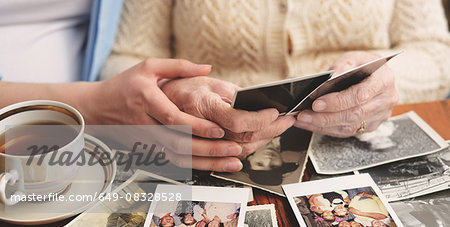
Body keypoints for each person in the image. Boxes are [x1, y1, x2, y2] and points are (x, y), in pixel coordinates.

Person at [0, 1, 294, 173]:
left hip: (92, 137)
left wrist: (161, 90)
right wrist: (99, 105)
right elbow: (126, 55)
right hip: (53, 134)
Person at [102, 0, 450, 139]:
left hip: (360, 143)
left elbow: (437, 53)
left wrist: (381, 85)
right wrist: (169, 94)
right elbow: (124, 59)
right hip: (210, 147)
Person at [241, 127, 309, 185]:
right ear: (282, 161)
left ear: (250, 159)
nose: (268, 160)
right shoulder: (302, 141)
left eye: (259, 163)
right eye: (274, 166)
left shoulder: (243, 133)